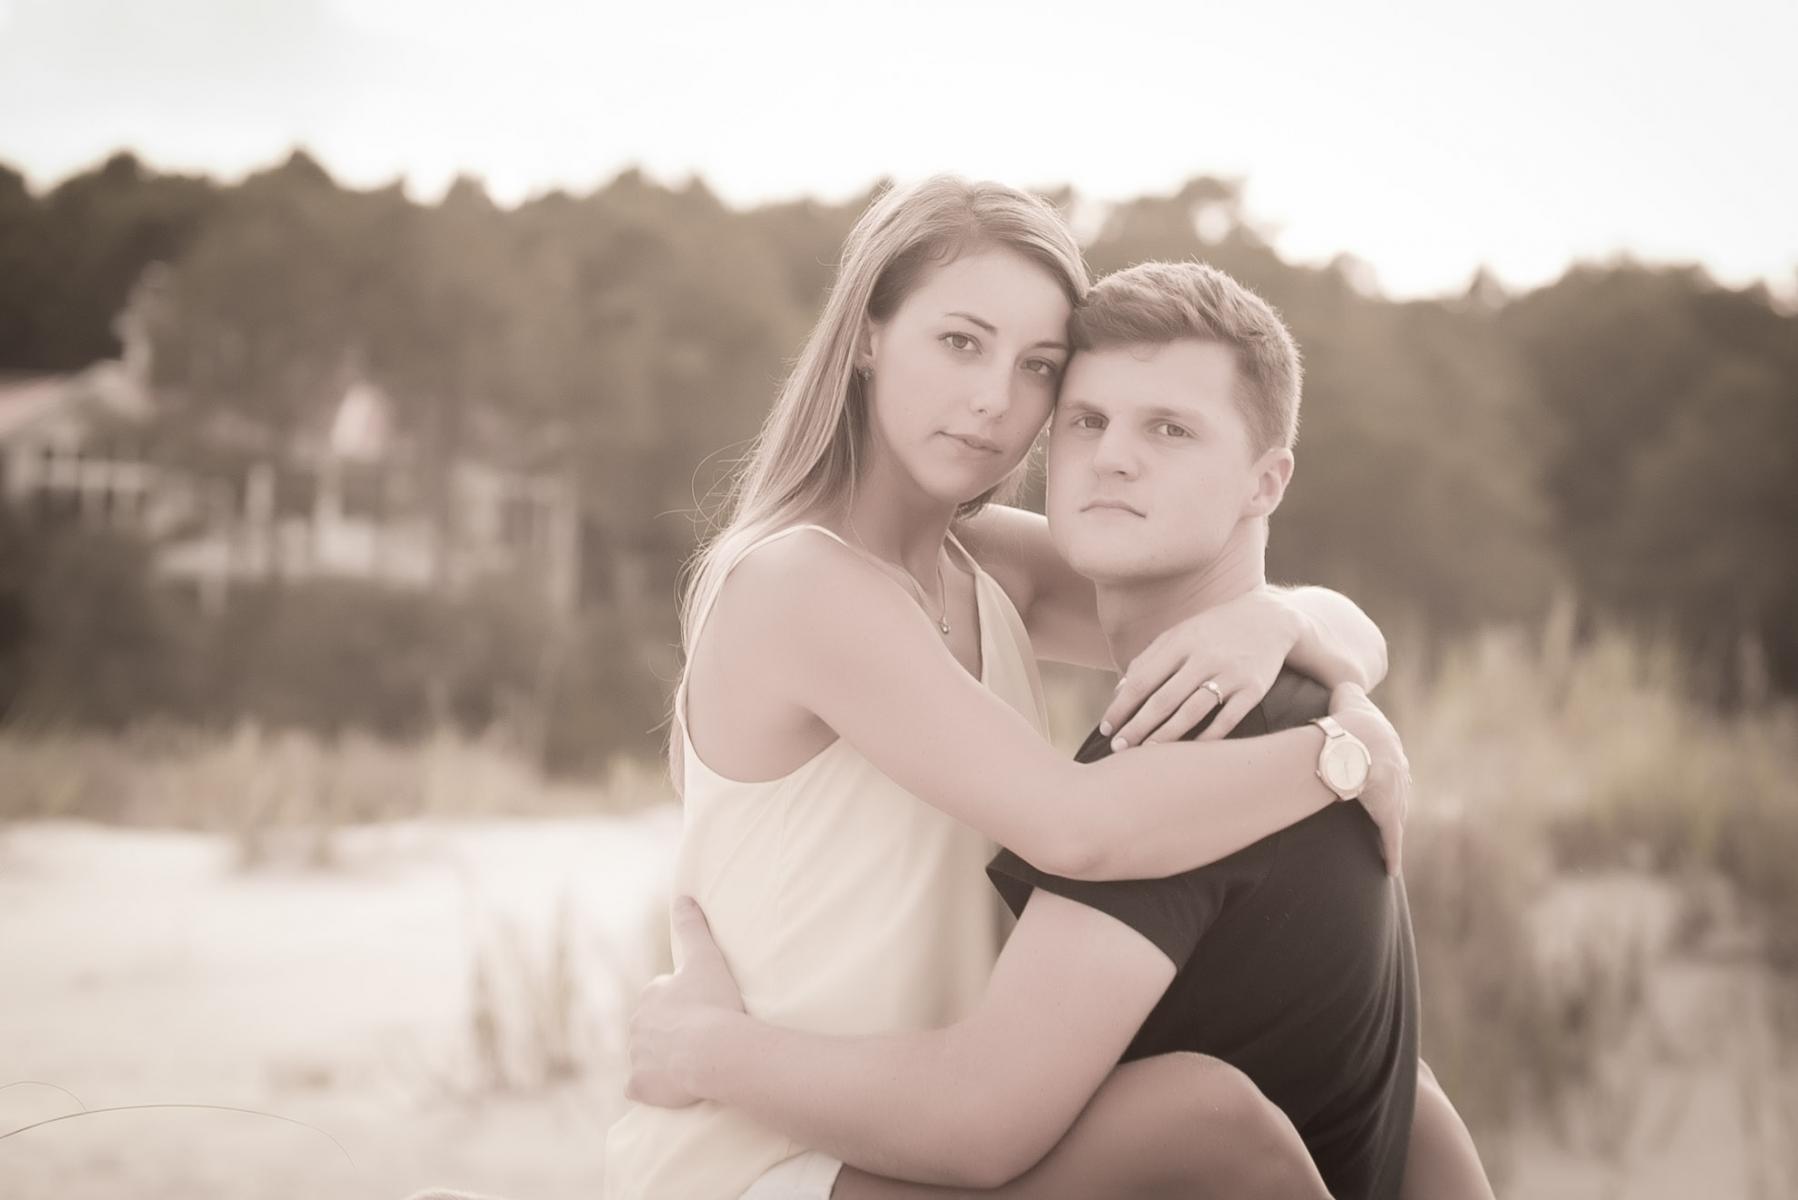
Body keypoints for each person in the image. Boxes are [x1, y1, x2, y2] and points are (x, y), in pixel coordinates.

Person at [602, 177, 1410, 1200]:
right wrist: (1341, 757)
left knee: (1384, 1099)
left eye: (1036, 368)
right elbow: (1072, 827)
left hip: (924, 1128)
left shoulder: (986, 569)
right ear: (865, 336)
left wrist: (1275, 624)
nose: (994, 399)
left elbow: (1304, 612)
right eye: (959, 342)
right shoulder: (797, 583)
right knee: (1210, 1127)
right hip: (774, 1157)